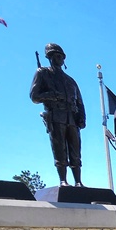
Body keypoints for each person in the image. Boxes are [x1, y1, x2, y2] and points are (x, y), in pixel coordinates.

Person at [29, 42, 85, 187]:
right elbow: (34, 96)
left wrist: (82, 117)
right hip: (56, 115)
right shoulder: (43, 73)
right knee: (60, 149)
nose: (59, 58)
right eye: (55, 55)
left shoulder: (70, 80)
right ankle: (63, 180)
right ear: (49, 57)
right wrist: (51, 95)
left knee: (75, 150)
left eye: (61, 56)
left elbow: (79, 101)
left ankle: (78, 181)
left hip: (72, 117)